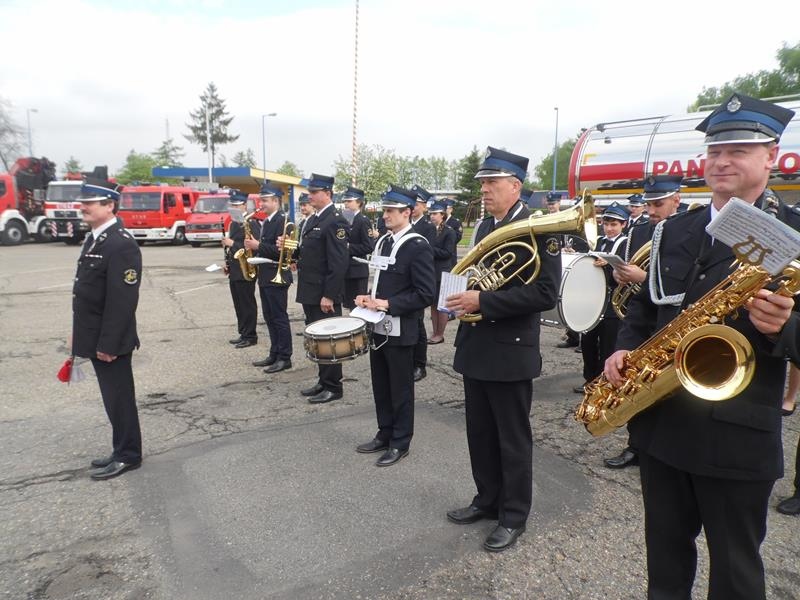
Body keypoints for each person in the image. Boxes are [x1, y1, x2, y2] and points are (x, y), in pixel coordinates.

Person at [604, 93, 798, 600]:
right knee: (665, 564)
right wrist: (624, 348)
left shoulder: (795, 234)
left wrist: (784, 328)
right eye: (714, 151)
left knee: (736, 573)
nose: (722, 161)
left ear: (771, 156)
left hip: (738, 436)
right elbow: (645, 308)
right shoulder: (675, 229)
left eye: (738, 150)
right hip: (664, 426)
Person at [444, 146, 560, 552]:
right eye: (482, 183)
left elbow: (546, 293)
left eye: (492, 182)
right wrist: (456, 300)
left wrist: (484, 301)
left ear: (515, 185)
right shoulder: (483, 227)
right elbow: (476, 276)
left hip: (510, 350)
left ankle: (513, 515)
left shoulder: (539, 228)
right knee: (479, 433)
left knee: (512, 439)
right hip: (476, 345)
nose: (484, 190)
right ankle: (487, 499)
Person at [604, 175, 682, 469]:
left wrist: (644, 278)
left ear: (676, 200)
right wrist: (620, 275)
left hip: (672, 323)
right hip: (641, 320)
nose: (650, 211)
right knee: (636, 386)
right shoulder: (639, 231)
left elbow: (683, 285)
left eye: (657, 204)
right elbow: (629, 268)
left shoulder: (688, 231)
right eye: (648, 204)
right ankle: (636, 445)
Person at [354, 185, 436, 467]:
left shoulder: (417, 246)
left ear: (407, 212)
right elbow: (380, 280)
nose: (385, 215)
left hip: (401, 328)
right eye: (385, 210)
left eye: (391, 210)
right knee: (381, 385)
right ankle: (384, 433)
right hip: (378, 326)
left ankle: (400, 442)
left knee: (400, 390)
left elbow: (426, 293)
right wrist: (368, 298)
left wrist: (388, 304)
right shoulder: (384, 242)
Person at [72, 185, 143, 480]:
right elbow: (88, 293)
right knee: (112, 398)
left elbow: (122, 301)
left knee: (119, 398)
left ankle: (128, 455)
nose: (83, 207)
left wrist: (109, 343)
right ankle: (120, 449)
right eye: (83, 202)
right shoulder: (96, 238)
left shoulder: (120, 243)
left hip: (111, 340)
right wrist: (78, 333)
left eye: (90, 202)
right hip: (96, 334)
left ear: (110, 205)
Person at [285, 173, 349, 403]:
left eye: (314, 192)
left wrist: (329, 295)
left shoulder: (335, 220)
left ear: (327, 193)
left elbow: (338, 263)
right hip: (310, 290)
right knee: (317, 340)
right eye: (309, 192)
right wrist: (292, 252)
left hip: (323, 293)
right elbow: (310, 252)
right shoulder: (314, 219)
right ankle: (323, 381)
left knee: (329, 340)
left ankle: (334, 386)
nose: (310, 196)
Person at [573, 202, 628, 394]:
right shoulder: (597, 241)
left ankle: (603, 382)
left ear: (623, 225)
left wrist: (610, 264)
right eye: (606, 224)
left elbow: (628, 269)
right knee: (587, 342)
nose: (609, 228)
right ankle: (589, 379)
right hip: (594, 301)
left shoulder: (626, 243)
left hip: (612, 303)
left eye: (614, 224)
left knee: (607, 344)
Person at [246, 182, 293, 374]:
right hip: (266, 274)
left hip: (276, 274)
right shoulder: (267, 221)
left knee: (279, 318)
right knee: (269, 317)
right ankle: (275, 352)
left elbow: (283, 252)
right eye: (261, 200)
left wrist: (258, 246)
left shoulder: (283, 221)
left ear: (275, 200)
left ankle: (285, 357)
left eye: (265, 200)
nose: (261, 204)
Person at [223, 191, 260, 349]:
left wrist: (232, 244)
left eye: (237, 205)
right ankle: (243, 332)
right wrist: (228, 263)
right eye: (232, 205)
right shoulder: (233, 223)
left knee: (247, 303)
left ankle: (250, 335)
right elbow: (233, 248)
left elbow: (254, 248)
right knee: (238, 303)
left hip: (246, 269)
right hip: (235, 269)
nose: (234, 208)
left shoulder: (251, 223)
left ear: (244, 205)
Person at [410, 184, 437, 382]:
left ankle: (420, 364)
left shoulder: (428, 228)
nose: (413, 207)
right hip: (403, 281)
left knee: (418, 324)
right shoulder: (405, 223)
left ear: (424, 206)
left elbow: (428, 253)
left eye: (417, 204)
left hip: (418, 280)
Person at [426, 201, 458, 344]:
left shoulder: (449, 231)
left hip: (443, 271)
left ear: (442, 215)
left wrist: (428, 249)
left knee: (442, 305)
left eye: (435, 214)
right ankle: (435, 332)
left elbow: (447, 253)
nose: (432, 216)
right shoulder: (430, 229)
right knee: (433, 304)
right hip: (431, 271)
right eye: (431, 214)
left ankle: (440, 334)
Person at [341, 186, 374, 309]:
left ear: (359, 202)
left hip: (358, 270)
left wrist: (348, 247)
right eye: (345, 201)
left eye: (349, 201)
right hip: (346, 269)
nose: (346, 204)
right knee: (349, 306)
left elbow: (369, 246)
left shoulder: (362, 220)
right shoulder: (345, 219)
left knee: (358, 307)